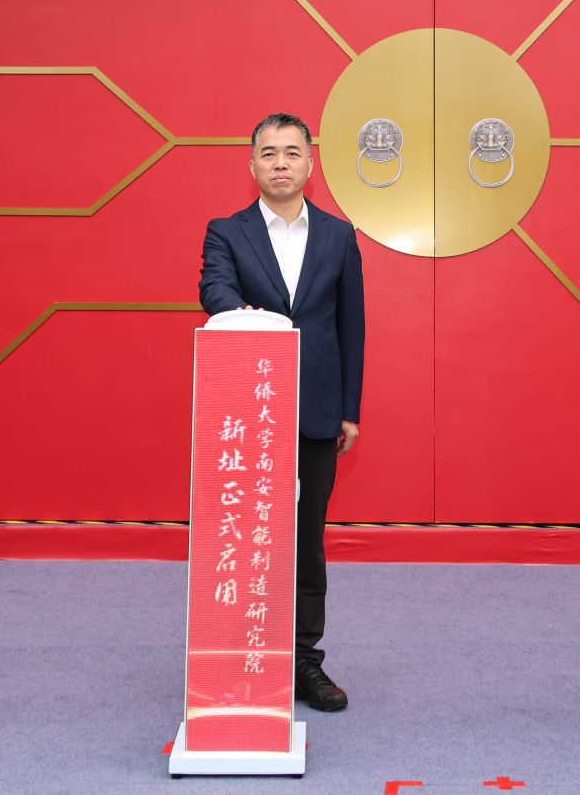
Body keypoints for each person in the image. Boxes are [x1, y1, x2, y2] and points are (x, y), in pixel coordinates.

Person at [199, 112, 365, 713]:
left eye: (292, 152)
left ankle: (303, 659)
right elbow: (214, 289)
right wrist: (248, 318)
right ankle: (243, 652)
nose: (280, 163)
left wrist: (348, 409)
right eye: (268, 153)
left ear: (310, 164)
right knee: (245, 535)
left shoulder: (339, 236)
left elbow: (352, 325)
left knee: (307, 539)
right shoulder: (227, 231)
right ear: (252, 165)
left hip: (317, 407)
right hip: (248, 409)